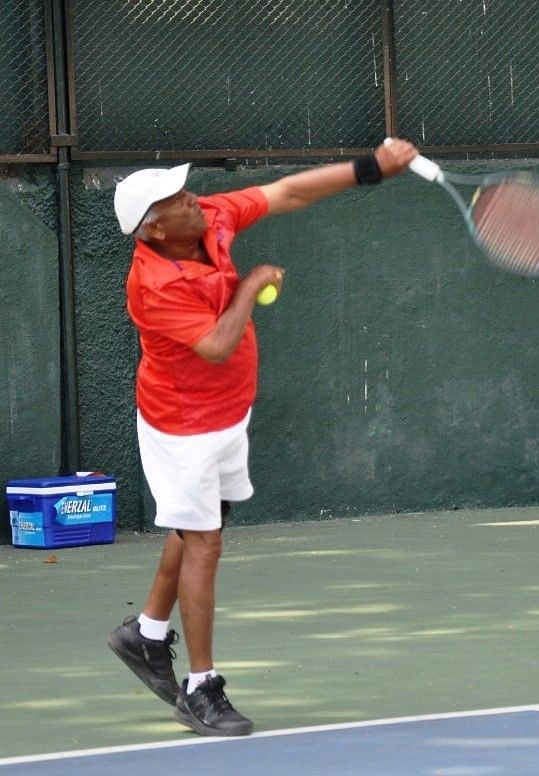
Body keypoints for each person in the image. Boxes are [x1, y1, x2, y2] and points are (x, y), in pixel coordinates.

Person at [106, 139, 418, 737]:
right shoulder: (154, 284)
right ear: (152, 230)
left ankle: (144, 635)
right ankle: (201, 689)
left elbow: (287, 192)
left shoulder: (209, 217)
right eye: (175, 199)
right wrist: (250, 286)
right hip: (182, 428)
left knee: (199, 525)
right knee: (204, 543)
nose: (191, 198)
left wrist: (370, 167)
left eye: (185, 189)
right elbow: (217, 345)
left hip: (226, 413)